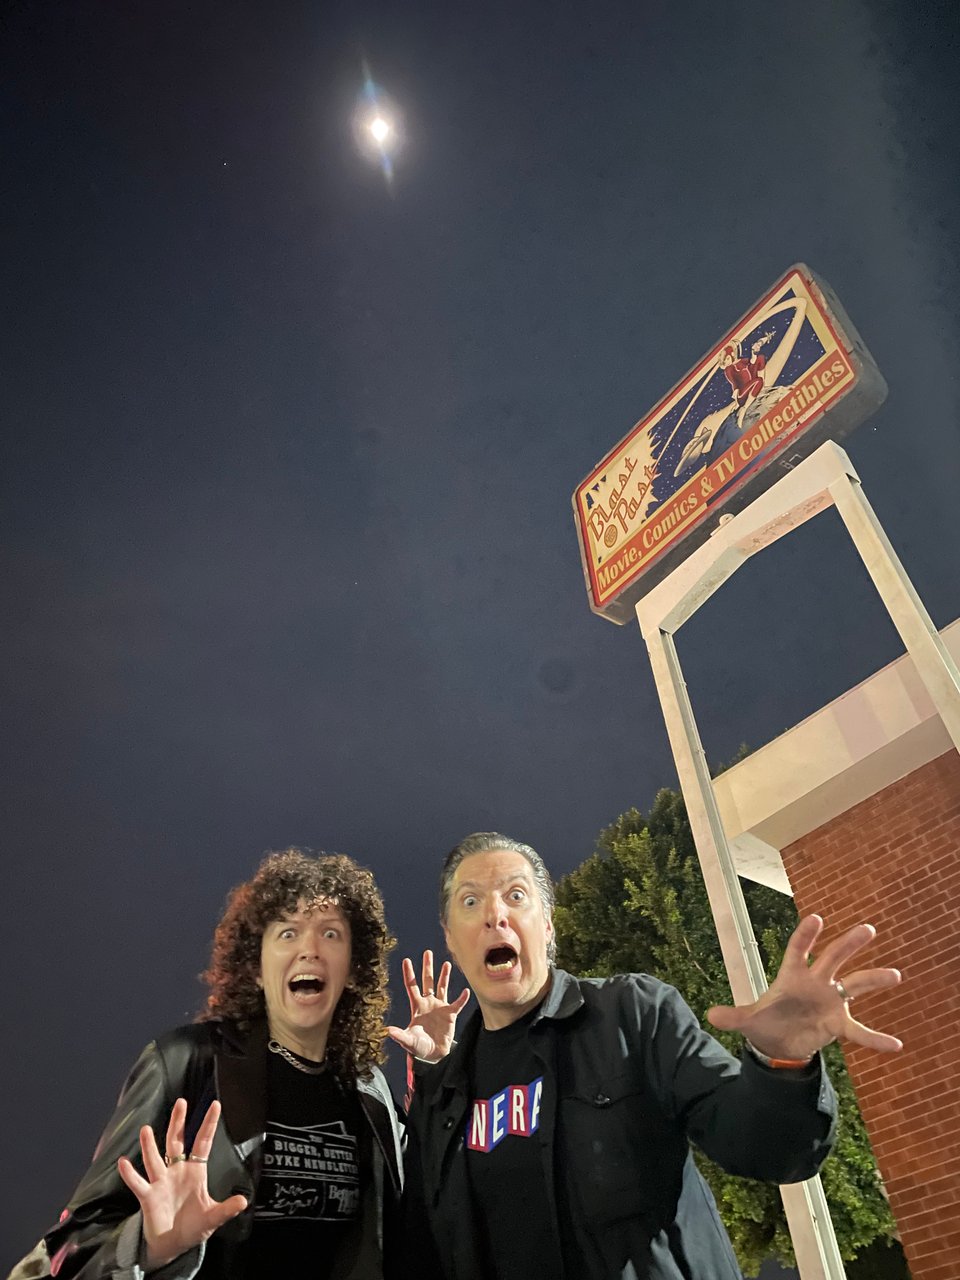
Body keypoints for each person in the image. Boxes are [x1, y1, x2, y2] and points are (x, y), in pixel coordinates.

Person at [395, 832, 904, 1280]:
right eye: (470, 902)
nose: (494, 915)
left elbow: (769, 1148)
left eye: (516, 895)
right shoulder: (444, 1098)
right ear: (450, 939)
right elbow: (422, 1252)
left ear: (546, 925)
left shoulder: (632, 1014)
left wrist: (782, 1062)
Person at [30, 848, 459, 1280]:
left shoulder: (366, 1089)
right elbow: (74, 1246)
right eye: (288, 933)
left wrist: (435, 1070)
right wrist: (152, 1245)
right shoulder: (185, 1063)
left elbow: (423, 1210)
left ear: (352, 969)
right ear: (256, 967)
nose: (309, 948)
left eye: (330, 934)